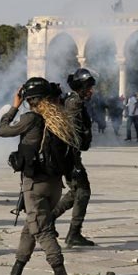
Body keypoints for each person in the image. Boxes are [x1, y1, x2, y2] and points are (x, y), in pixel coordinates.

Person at [0, 77, 78, 275]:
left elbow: (3, 130)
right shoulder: (59, 118)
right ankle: (16, 272)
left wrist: (14, 106)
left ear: (29, 99)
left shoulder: (31, 118)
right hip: (54, 185)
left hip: (35, 185)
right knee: (30, 228)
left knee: (42, 231)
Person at [50, 68, 96, 247]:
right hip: (70, 156)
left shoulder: (71, 99)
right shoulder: (74, 102)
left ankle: (50, 219)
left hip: (69, 154)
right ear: (81, 87)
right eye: (88, 87)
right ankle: (73, 233)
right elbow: (73, 132)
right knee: (83, 191)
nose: (91, 91)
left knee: (76, 191)